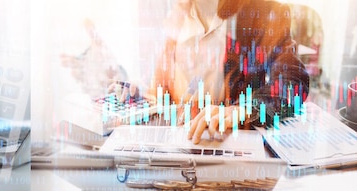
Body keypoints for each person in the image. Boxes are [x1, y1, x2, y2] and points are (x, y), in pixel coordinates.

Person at [64, 0, 309, 144]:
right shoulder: (177, 16)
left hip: (234, 163)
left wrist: (244, 110)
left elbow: (293, 84)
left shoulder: (264, 12)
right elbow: (163, 96)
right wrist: (138, 100)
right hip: (176, 161)